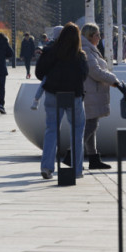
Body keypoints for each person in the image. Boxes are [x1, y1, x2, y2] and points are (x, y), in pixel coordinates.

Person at [35, 22, 88, 180]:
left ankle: (47, 166)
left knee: (51, 129)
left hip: (53, 93)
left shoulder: (50, 51)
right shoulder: (80, 55)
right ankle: (77, 169)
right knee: (77, 131)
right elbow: (83, 76)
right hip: (74, 96)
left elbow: (39, 72)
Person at [81, 23, 120, 170]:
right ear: (90, 36)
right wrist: (113, 80)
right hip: (91, 91)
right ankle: (72, 154)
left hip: (93, 91)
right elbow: (95, 71)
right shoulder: (86, 49)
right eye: (97, 35)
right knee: (90, 125)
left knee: (92, 125)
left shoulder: (90, 48)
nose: (99, 37)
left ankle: (93, 158)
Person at [30, 26, 63, 110]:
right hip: (55, 69)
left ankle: (36, 100)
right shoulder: (55, 44)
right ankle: (36, 99)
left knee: (43, 84)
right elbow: (45, 49)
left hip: (53, 70)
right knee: (44, 83)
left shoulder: (52, 43)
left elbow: (45, 49)